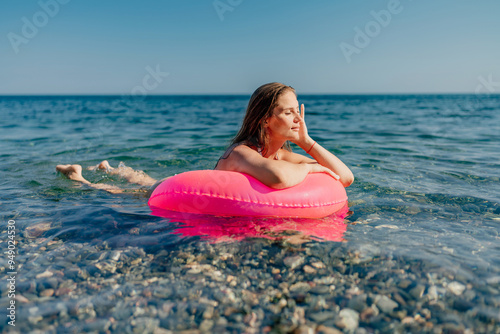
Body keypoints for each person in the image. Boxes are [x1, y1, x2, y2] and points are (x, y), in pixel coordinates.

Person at [56, 82, 353, 193]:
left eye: (297, 111)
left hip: (188, 183)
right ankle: (80, 175)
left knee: (139, 179)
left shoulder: (283, 153)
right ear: (265, 118)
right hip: (174, 191)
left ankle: (109, 167)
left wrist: (307, 141)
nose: (297, 118)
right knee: (129, 191)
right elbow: (277, 179)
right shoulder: (241, 152)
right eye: (288, 113)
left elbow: (346, 177)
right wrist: (313, 166)